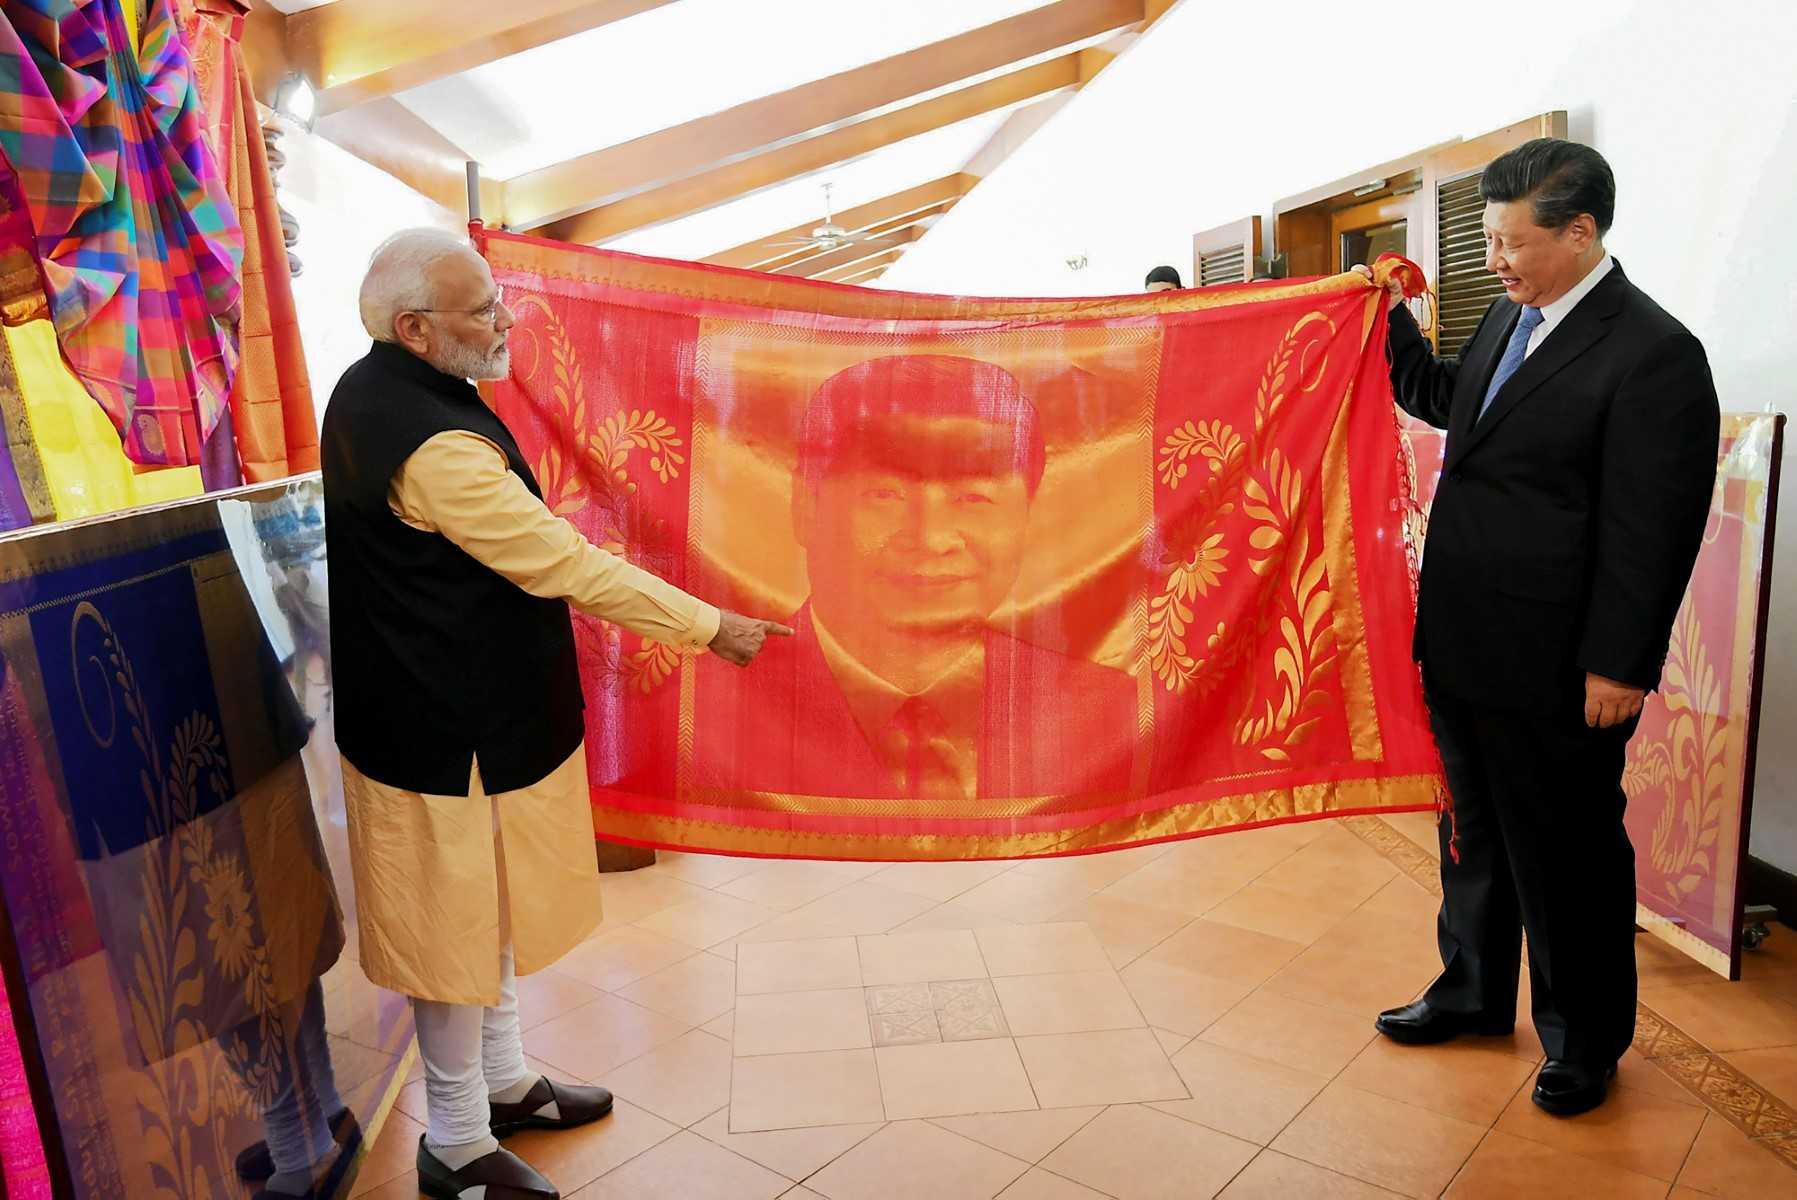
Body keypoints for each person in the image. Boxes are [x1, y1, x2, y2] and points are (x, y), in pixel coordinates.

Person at [320, 229, 789, 1200]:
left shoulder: (403, 393)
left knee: (481, 906)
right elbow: (559, 562)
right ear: (414, 328)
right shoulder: (427, 435)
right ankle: (453, 1142)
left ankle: (502, 1083)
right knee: (448, 933)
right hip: (437, 734)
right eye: (481, 308)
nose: (504, 321)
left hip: (469, 717)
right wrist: (711, 626)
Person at [1359, 139, 1719, 1116]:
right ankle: (1472, 991)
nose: (1494, 261)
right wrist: (1387, 322)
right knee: (1471, 837)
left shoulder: (1654, 353)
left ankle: (1583, 1039)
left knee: (1566, 855)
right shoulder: (1504, 324)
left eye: (1512, 243)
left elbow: (1652, 530)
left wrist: (1621, 662)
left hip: (1562, 664)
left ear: (1581, 231)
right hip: (1466, 639)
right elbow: (1449, 408)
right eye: (1486, 240)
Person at [694, 354, 1138, 802]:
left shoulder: (1104, 709)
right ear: (805, 507)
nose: (930, 538)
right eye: (885, 494)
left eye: (973, 498)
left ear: (1028, 515)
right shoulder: (706, 709)